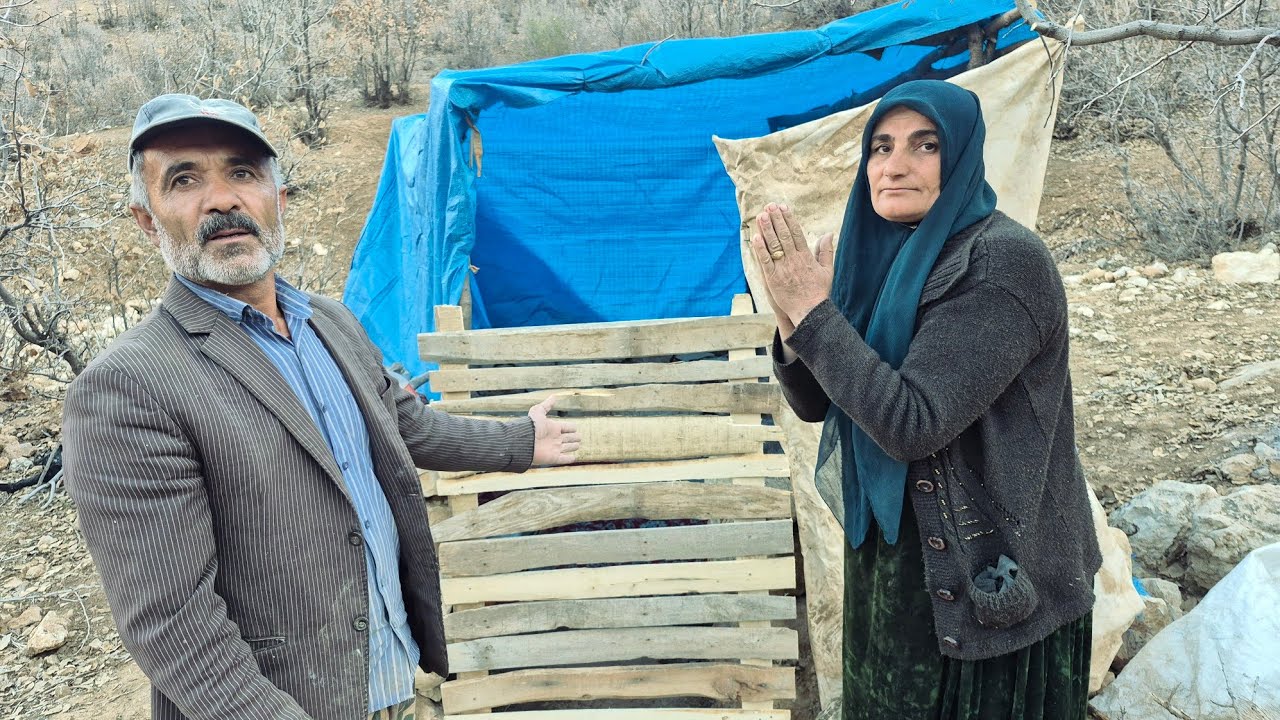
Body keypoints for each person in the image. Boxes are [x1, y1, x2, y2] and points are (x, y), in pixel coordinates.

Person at [62, 94, 581, 720]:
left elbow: (405, 422)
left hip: (390, 678)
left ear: (278, 200)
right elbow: (174, 624)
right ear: (148, 220)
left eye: (243, 173)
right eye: (183, 179)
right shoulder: (128, 385)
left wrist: (522, 443)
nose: (222, 199)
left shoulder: (329, 322)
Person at [748, 80, 1101, 719]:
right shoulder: (883, 258)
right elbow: (818, 402)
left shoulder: (999, 263)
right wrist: (791, 316)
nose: (895, 165)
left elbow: (913, 422)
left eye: (925, 145)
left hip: (992, 578)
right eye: (880, 148)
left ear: (962, 155)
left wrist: (815, 313)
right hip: (896, 565)